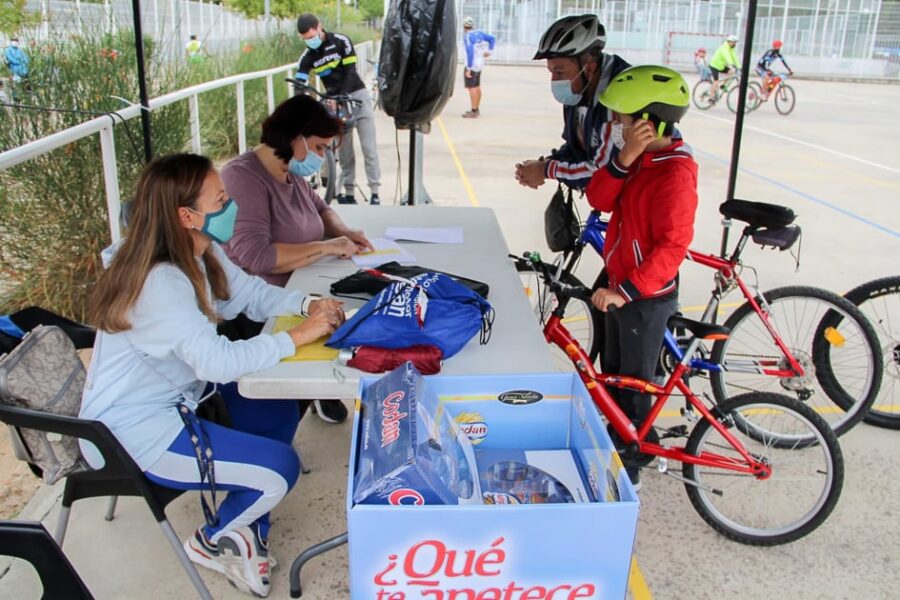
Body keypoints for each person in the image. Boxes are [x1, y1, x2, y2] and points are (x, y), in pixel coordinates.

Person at [81, 153, 347, 596]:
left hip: (183, 399)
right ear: (187, 215)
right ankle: (213, 539)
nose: (231, 206)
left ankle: (245, 527)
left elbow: (249, 294)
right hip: (135, 432)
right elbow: (217, 362)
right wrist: (298, 336)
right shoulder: (159, 283)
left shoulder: (200, 250)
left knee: (275, 406)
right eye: (221, 199)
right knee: (280, 470)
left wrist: (308, 306)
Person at [221, 93, 374, 423]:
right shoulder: (243, 178)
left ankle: (319, 392)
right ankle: (309, 392)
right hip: (262, 306)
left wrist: (342, 231)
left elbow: (320, 208)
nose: (320, 158)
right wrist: (329, 247)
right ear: (295, 138)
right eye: (318, 148)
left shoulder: (288, 173)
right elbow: (257, 256)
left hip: (303, 283)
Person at [584, 65, 698, 489]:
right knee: (612, 375)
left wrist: (627, 292)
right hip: (619, 284)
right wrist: (624, 157)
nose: (616, 125)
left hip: (643, 297)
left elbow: (672, 249)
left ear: (649, 124)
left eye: (623, 120)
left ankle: (628, 473)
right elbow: (598, 198)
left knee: (633, 388)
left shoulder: (674, 173)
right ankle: (615, 447)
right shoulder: (640, 159)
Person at [515, 14, 630, 191]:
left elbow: (604, 173)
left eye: (560, 72)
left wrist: (547, 170)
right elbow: (576, 149)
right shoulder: (580, 88)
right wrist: (545, 164)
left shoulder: (619, 99)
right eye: (551, 72)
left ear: (589, 69)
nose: (554, 80)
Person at [296, 13, 381, 206]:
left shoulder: (341, 41)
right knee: (345, 151)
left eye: (311, 36)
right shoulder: (308, 56)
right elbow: (299, 82)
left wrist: (341, 97)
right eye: (305, 39)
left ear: (320, 27)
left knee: (369, 148)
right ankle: (349, 192)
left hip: (356, 95)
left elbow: (351, 72)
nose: (309, 41)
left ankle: (375, 191)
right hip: (334, 102)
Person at [461, 17, 496, 118]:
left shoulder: (468, 36)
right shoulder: (479, 33)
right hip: (480, 63)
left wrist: (468, 68)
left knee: (472, 88)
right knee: (477, 86)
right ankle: (476, 108)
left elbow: (470, 52)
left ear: (464, 27)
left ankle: (473, 110)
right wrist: (490, 51)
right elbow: (492, 39)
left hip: (472, 64)